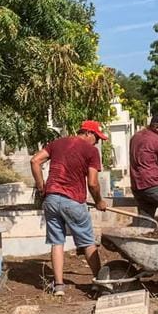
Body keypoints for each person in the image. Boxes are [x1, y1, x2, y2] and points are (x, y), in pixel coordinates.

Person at [30, 121, 109, 295]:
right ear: (88, 133)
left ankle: (58, 286)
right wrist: (99, 201)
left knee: (57, 242)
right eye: (97, 138)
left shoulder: (58, 143)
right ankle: (101, 282)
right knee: (88, 242)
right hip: (73, 200)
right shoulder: (91, 151)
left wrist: (41, 186)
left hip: (51, 199)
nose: (97, 142)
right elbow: (93, 183)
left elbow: (35, 160)